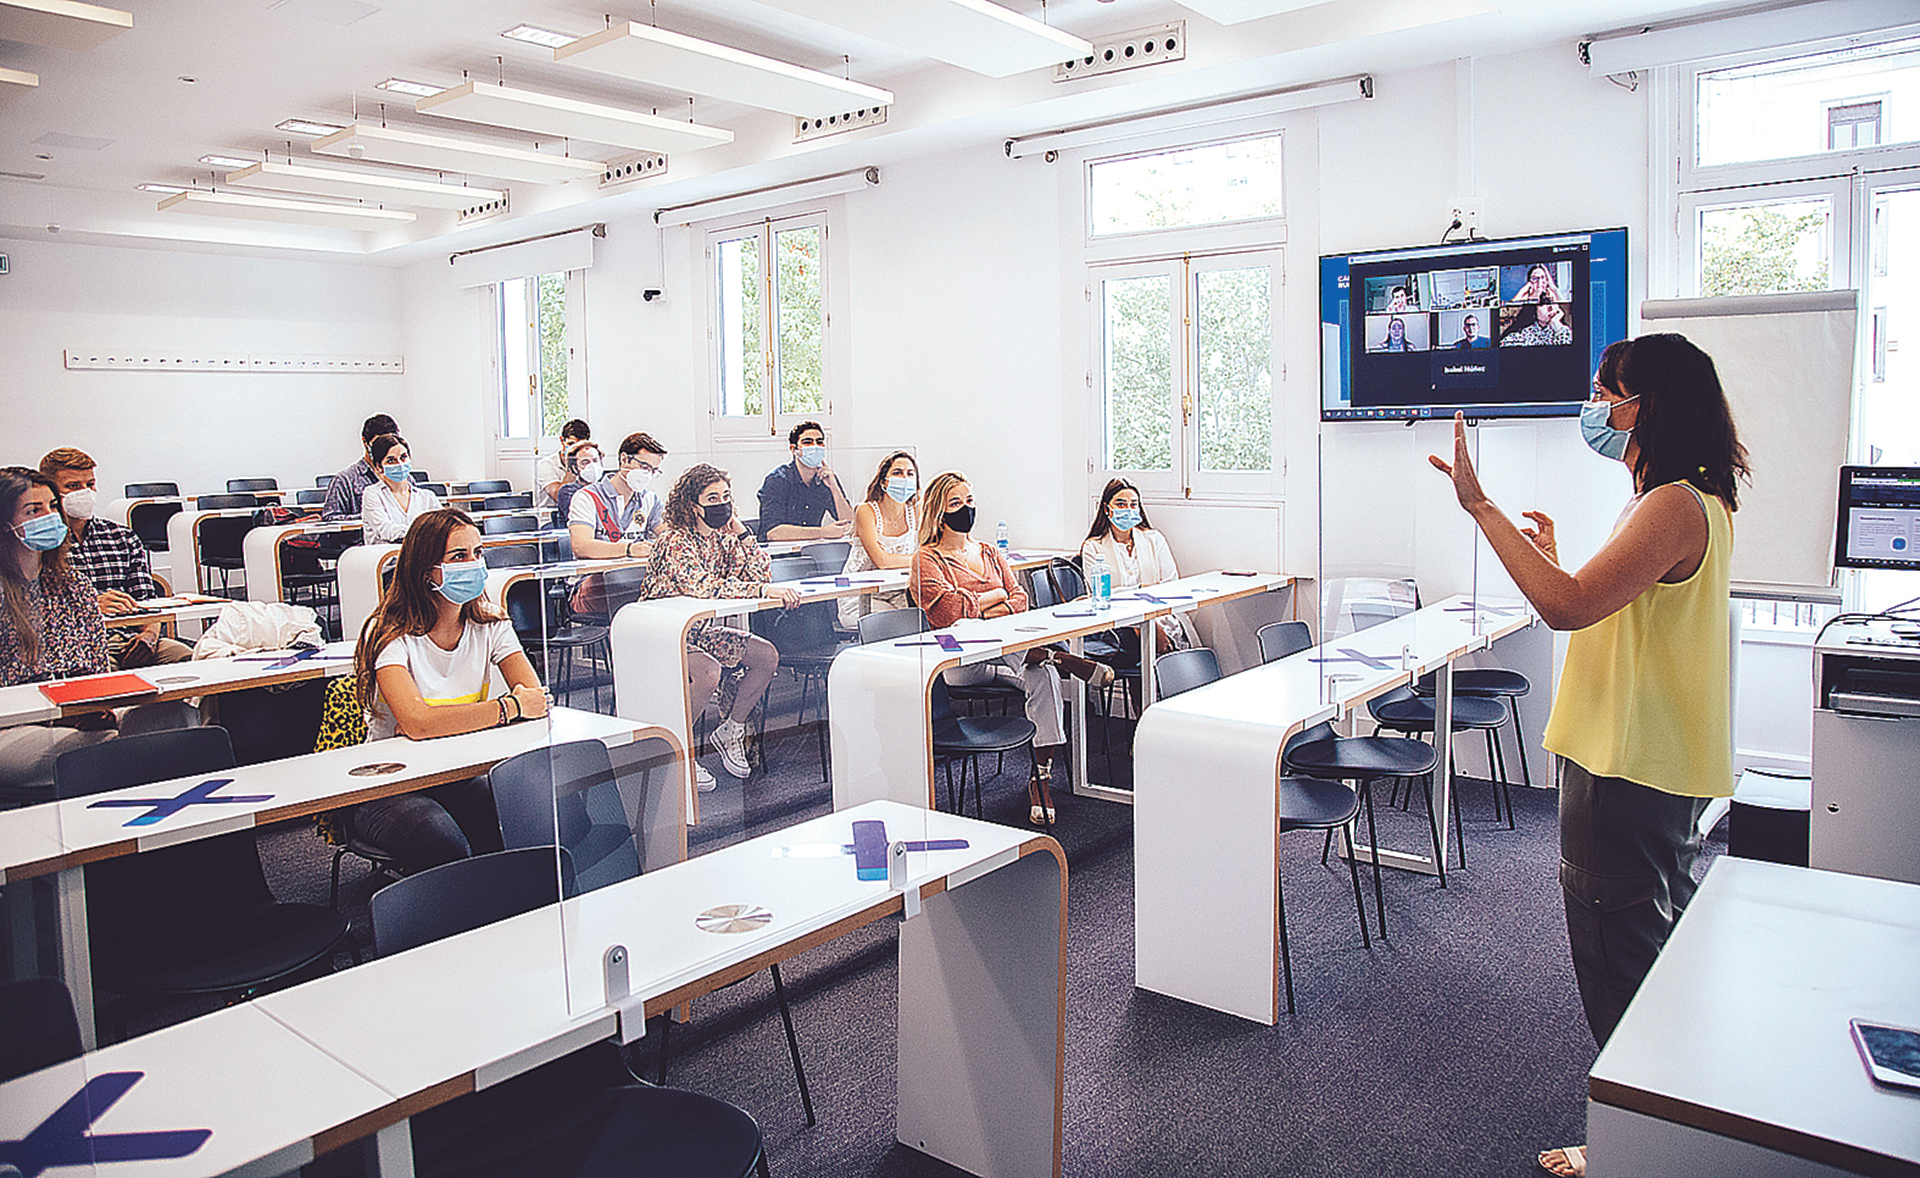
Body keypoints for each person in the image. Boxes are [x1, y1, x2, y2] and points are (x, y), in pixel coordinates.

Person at [1430, 333, 1747, 1178]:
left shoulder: (1672, 504)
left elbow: (1567, 609)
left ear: (1646, 406)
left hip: (1626, 771)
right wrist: (1558, 556)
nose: (1595, 406)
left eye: (1606, 391)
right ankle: (1658, 1135)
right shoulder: (1690, 501)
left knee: (1621, 976)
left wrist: (1481, 507)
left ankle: (1636, 1148)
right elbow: (1617, 609)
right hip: (1652, 765)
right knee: (1650, 957)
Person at [352, 508, 548, 872]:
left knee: (533, 815)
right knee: (441, 841)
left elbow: (534, 698)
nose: (473, 564)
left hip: (459, 772)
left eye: (478, 553)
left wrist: (443, 720)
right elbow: (417, 723)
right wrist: (506, 708)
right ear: (425, 571)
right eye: (458, 556)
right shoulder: (388, 631)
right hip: (393, 784)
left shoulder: (490, 621)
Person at [910, 471, 1110, 826]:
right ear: (938, 511)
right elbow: (947, 612)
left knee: (1044, 676)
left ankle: (1041, 780)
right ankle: (1058, 654)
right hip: (959, 662)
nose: (966, 509)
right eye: (956, 503)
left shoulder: (988, 551)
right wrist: (994, 598)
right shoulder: (927, 559)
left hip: (1005, 658)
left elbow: (1019, 599)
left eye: (969, 501)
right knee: (967, 626)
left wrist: (987, 603)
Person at [645, 464, 798, 787]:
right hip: (661, 634)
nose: (722, 504)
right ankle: (678, 752)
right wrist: (760, 591)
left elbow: (759, 575)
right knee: (708, 672)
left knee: (766, 656)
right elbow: (703, 586)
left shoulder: (722, 541)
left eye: (726, 496)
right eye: (712, 497)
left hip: (699, 633)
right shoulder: (674, 541)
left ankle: (730, 729)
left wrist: (742, 534)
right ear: (692, 505)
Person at [0, 467, 117, 790]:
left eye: (53, 506)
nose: (50, 516)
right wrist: (61, 715)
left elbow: (99, 668)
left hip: (80, 714)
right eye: (34, 510)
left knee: (172, 719)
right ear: (5, 523)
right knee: (111, 747)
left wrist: (98, 706)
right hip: (12, 726)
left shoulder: (74, 585)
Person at [39, 447, 191, 669]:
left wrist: (148, 638)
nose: (85, 492)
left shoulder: (121, 536)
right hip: (77, 645)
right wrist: (89, 606)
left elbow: (148, 602)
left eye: (90, 485)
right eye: (72, 486)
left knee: (188, 659)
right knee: (105, 675)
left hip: (130, 638)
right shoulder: (41, 544)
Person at [1080, 478, 1194, 672]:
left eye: (1133, 504)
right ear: (1107, 509)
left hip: (1161, 612)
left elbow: (1170, 584)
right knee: (1142, 637)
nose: (1128, 509)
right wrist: (1142, 591)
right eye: (1121, 504)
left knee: (1164, 638)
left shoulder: (1154, 539)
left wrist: (1138, 597)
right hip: (1118, 621)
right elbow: (1100, 594)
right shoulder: (1093, 547)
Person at [838, 450, 920, 631]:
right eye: (897, 473)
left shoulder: (916, 512)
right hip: (863, 596)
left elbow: (931, 554)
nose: (904, 478)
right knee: (904, 626)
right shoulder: (866, 511)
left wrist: (913, 559)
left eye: (910, 474)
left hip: (899, 592)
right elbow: (881, 561)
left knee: (928, 618)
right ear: (884, 481)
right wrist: (918, 559)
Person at [757, 421, 853, 541]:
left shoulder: (825, 478)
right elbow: (773, 532)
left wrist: (834, 487)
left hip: (811, 551)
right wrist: (823, 532)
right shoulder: (777, 481)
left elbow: (851, 525)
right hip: (778, 553)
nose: (815, 446)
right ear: (794, 449)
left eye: (819, 442)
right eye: (807, 442)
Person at [359, 434, 442, 543]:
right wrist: (424, 532)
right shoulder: (372, 494)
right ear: (379, 466)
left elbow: (442, 527)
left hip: (423, 556)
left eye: (403, 457)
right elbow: (386, 531)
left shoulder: (427, 496)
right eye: (391, 460)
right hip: (387, 556)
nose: (400, 464)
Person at [323, 413, 399, 520]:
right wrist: (371, 517)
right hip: (360, 536)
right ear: (365, 442)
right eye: (378, 444)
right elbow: (330, 518)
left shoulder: (405, 476)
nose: (385, 450)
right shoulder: (345, 480)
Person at [535, 418, 592, 510]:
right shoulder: (546, 465)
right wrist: (572, 467)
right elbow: (559, 497)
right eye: (571, 444)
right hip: (550, 518)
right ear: (562, 441)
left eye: (580, 445)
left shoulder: (588, 464)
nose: (575, 449)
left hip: (578, 515)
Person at [551, 440, 603, 530]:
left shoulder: (606, 487)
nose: (592, 466)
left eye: (595, 461)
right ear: (575, 467)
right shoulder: (567, 491)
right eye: (585, 462)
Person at [1502, 296, 1573, 347]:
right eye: (1544, 303)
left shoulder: (1564, 331)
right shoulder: (1519, 337)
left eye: (1553, 301)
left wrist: (1558, 328)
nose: (1551, 308)